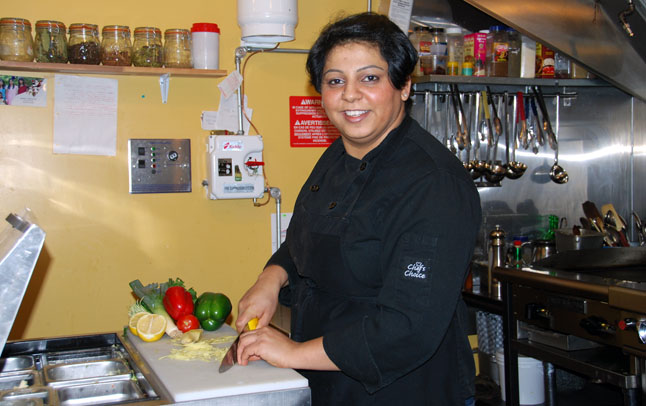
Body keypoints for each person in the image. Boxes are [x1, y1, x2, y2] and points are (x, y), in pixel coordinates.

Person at [235, 12, 481, 405]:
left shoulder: (435, 184)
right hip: (329, 381)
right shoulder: (336, 156)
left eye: (370, 78)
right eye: (335, 81)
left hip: (403, 390)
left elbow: (408, 327)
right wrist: (272, 278)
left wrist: (294, 352)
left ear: (403, 87)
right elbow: (305, 240)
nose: (350, 94)